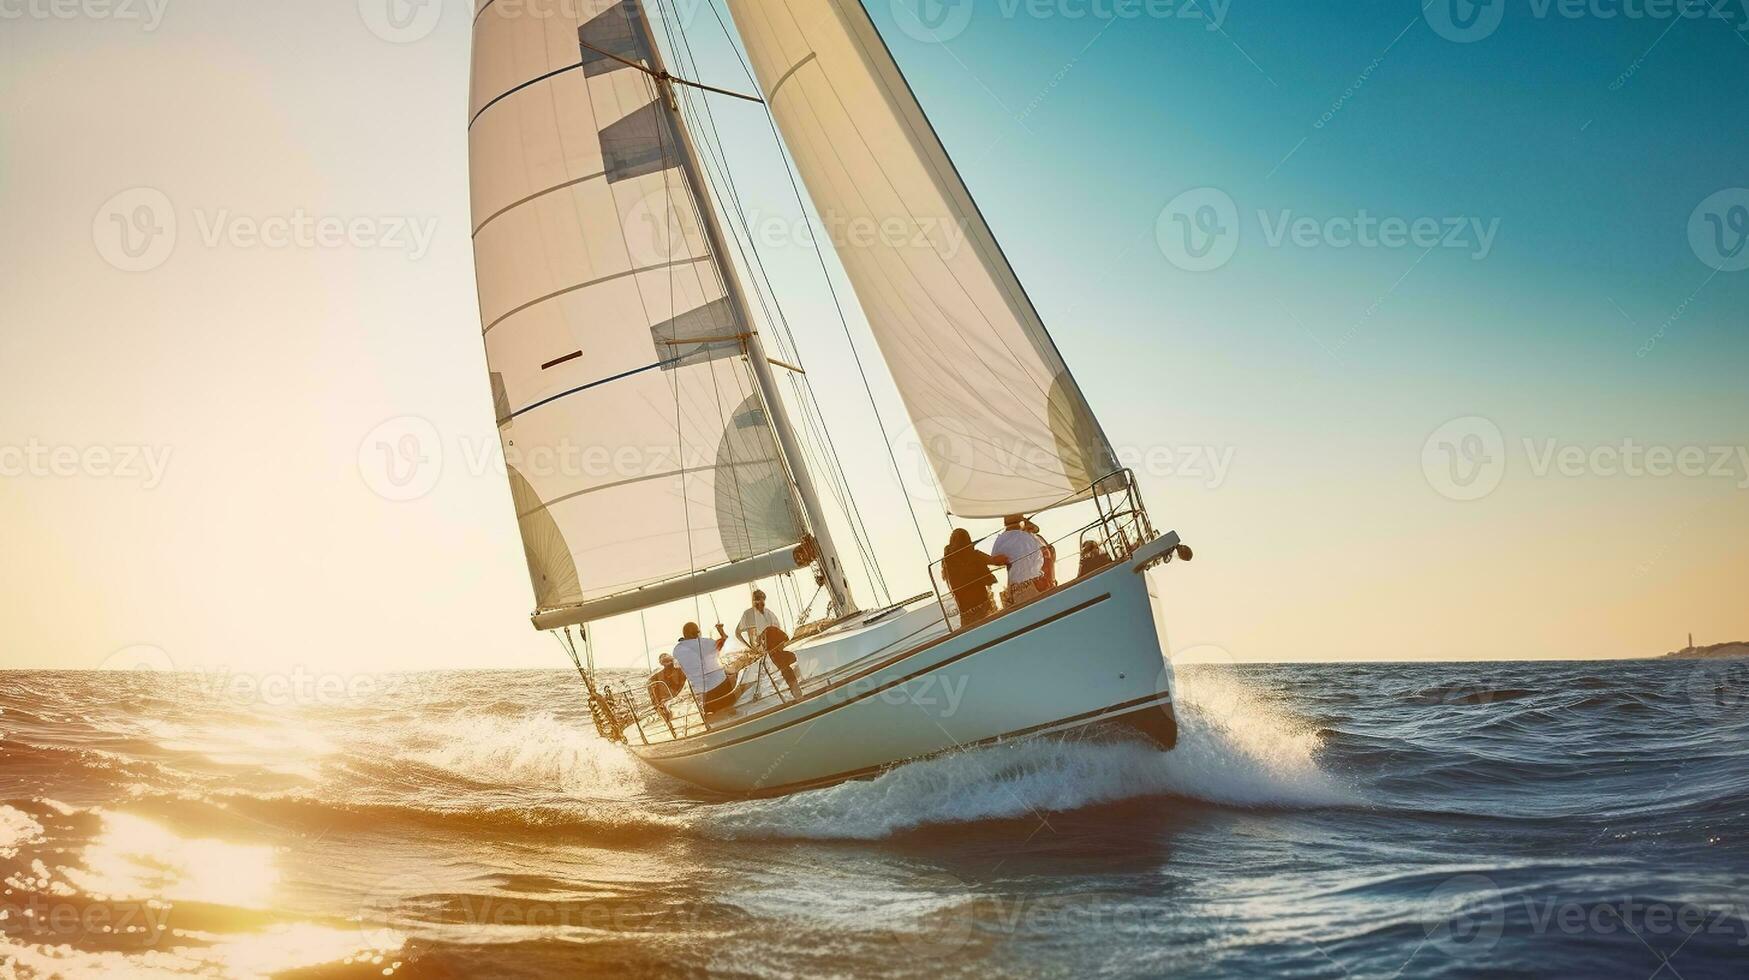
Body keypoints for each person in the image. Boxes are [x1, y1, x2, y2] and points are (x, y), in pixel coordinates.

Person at [736, 590, 801, 698]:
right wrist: (750, 646)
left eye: (762, 601)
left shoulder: (769, 613)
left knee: (785, 663)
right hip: (766, 646)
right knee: (784, 665)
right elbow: (738, 633)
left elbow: (777, 629)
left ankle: (795, 688)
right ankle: (795, 689)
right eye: (757, 601)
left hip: (777, 643)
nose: (760, 604)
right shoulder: (748, 614)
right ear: (753, 601)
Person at [940, 528, 1007, 628]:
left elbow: (946, 579)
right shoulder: (974, 555)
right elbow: (995, 561)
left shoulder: (946, 562)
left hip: (964, 610)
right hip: (982, 603)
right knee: (991, 628)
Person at [671, 622, 737, 716]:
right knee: (731, 710)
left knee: (713, 717)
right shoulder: (708, 642)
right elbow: (723, 641)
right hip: (721, 684)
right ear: (698, 632)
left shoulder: (676, 650)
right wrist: (721, 631)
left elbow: (677, 668)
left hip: (703, 691)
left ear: (684, 634)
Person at [991, 515, 1048, 608]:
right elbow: (1047, 555)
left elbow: (996, 561)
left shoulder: (1001, 540)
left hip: (1017, 587)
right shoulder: (1031, 537)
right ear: (1021, 522)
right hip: (1036, 581)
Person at [646, 652, 688, 734]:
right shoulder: (657, 676)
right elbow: (650, 682)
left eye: (668, 661)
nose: (668, 664)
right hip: (668, 700)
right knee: (662, 703)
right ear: (662, 664)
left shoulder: (681, 670)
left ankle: (668, 719)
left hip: (681, 696)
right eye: (665, 661)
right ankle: (667, 719)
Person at [1024, 518, 1057, 589]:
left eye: (1029, 529)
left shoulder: (1037, 538)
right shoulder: (1026, 543)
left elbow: (1050, 553)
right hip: (1039, 573)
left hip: (1044, 568)